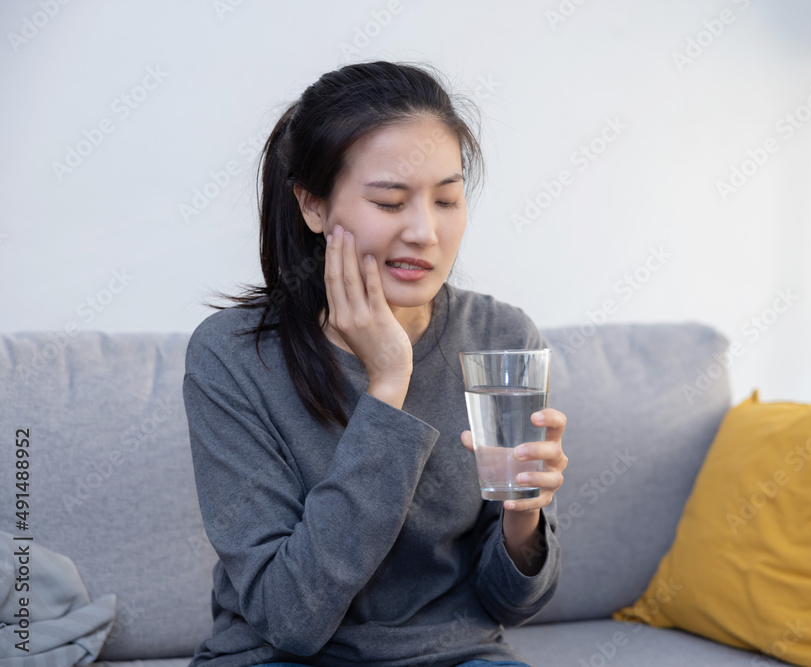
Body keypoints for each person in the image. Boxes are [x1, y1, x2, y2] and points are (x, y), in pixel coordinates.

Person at [182, 60, 569, 667]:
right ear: (313, 207)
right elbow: (290, 618)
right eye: (390, 202)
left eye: (447, 199)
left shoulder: (499, 336)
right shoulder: (231, 357)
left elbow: (508, 606)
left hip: (452, 655)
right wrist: (387, 385)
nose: (425, 231)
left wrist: (524, 517)